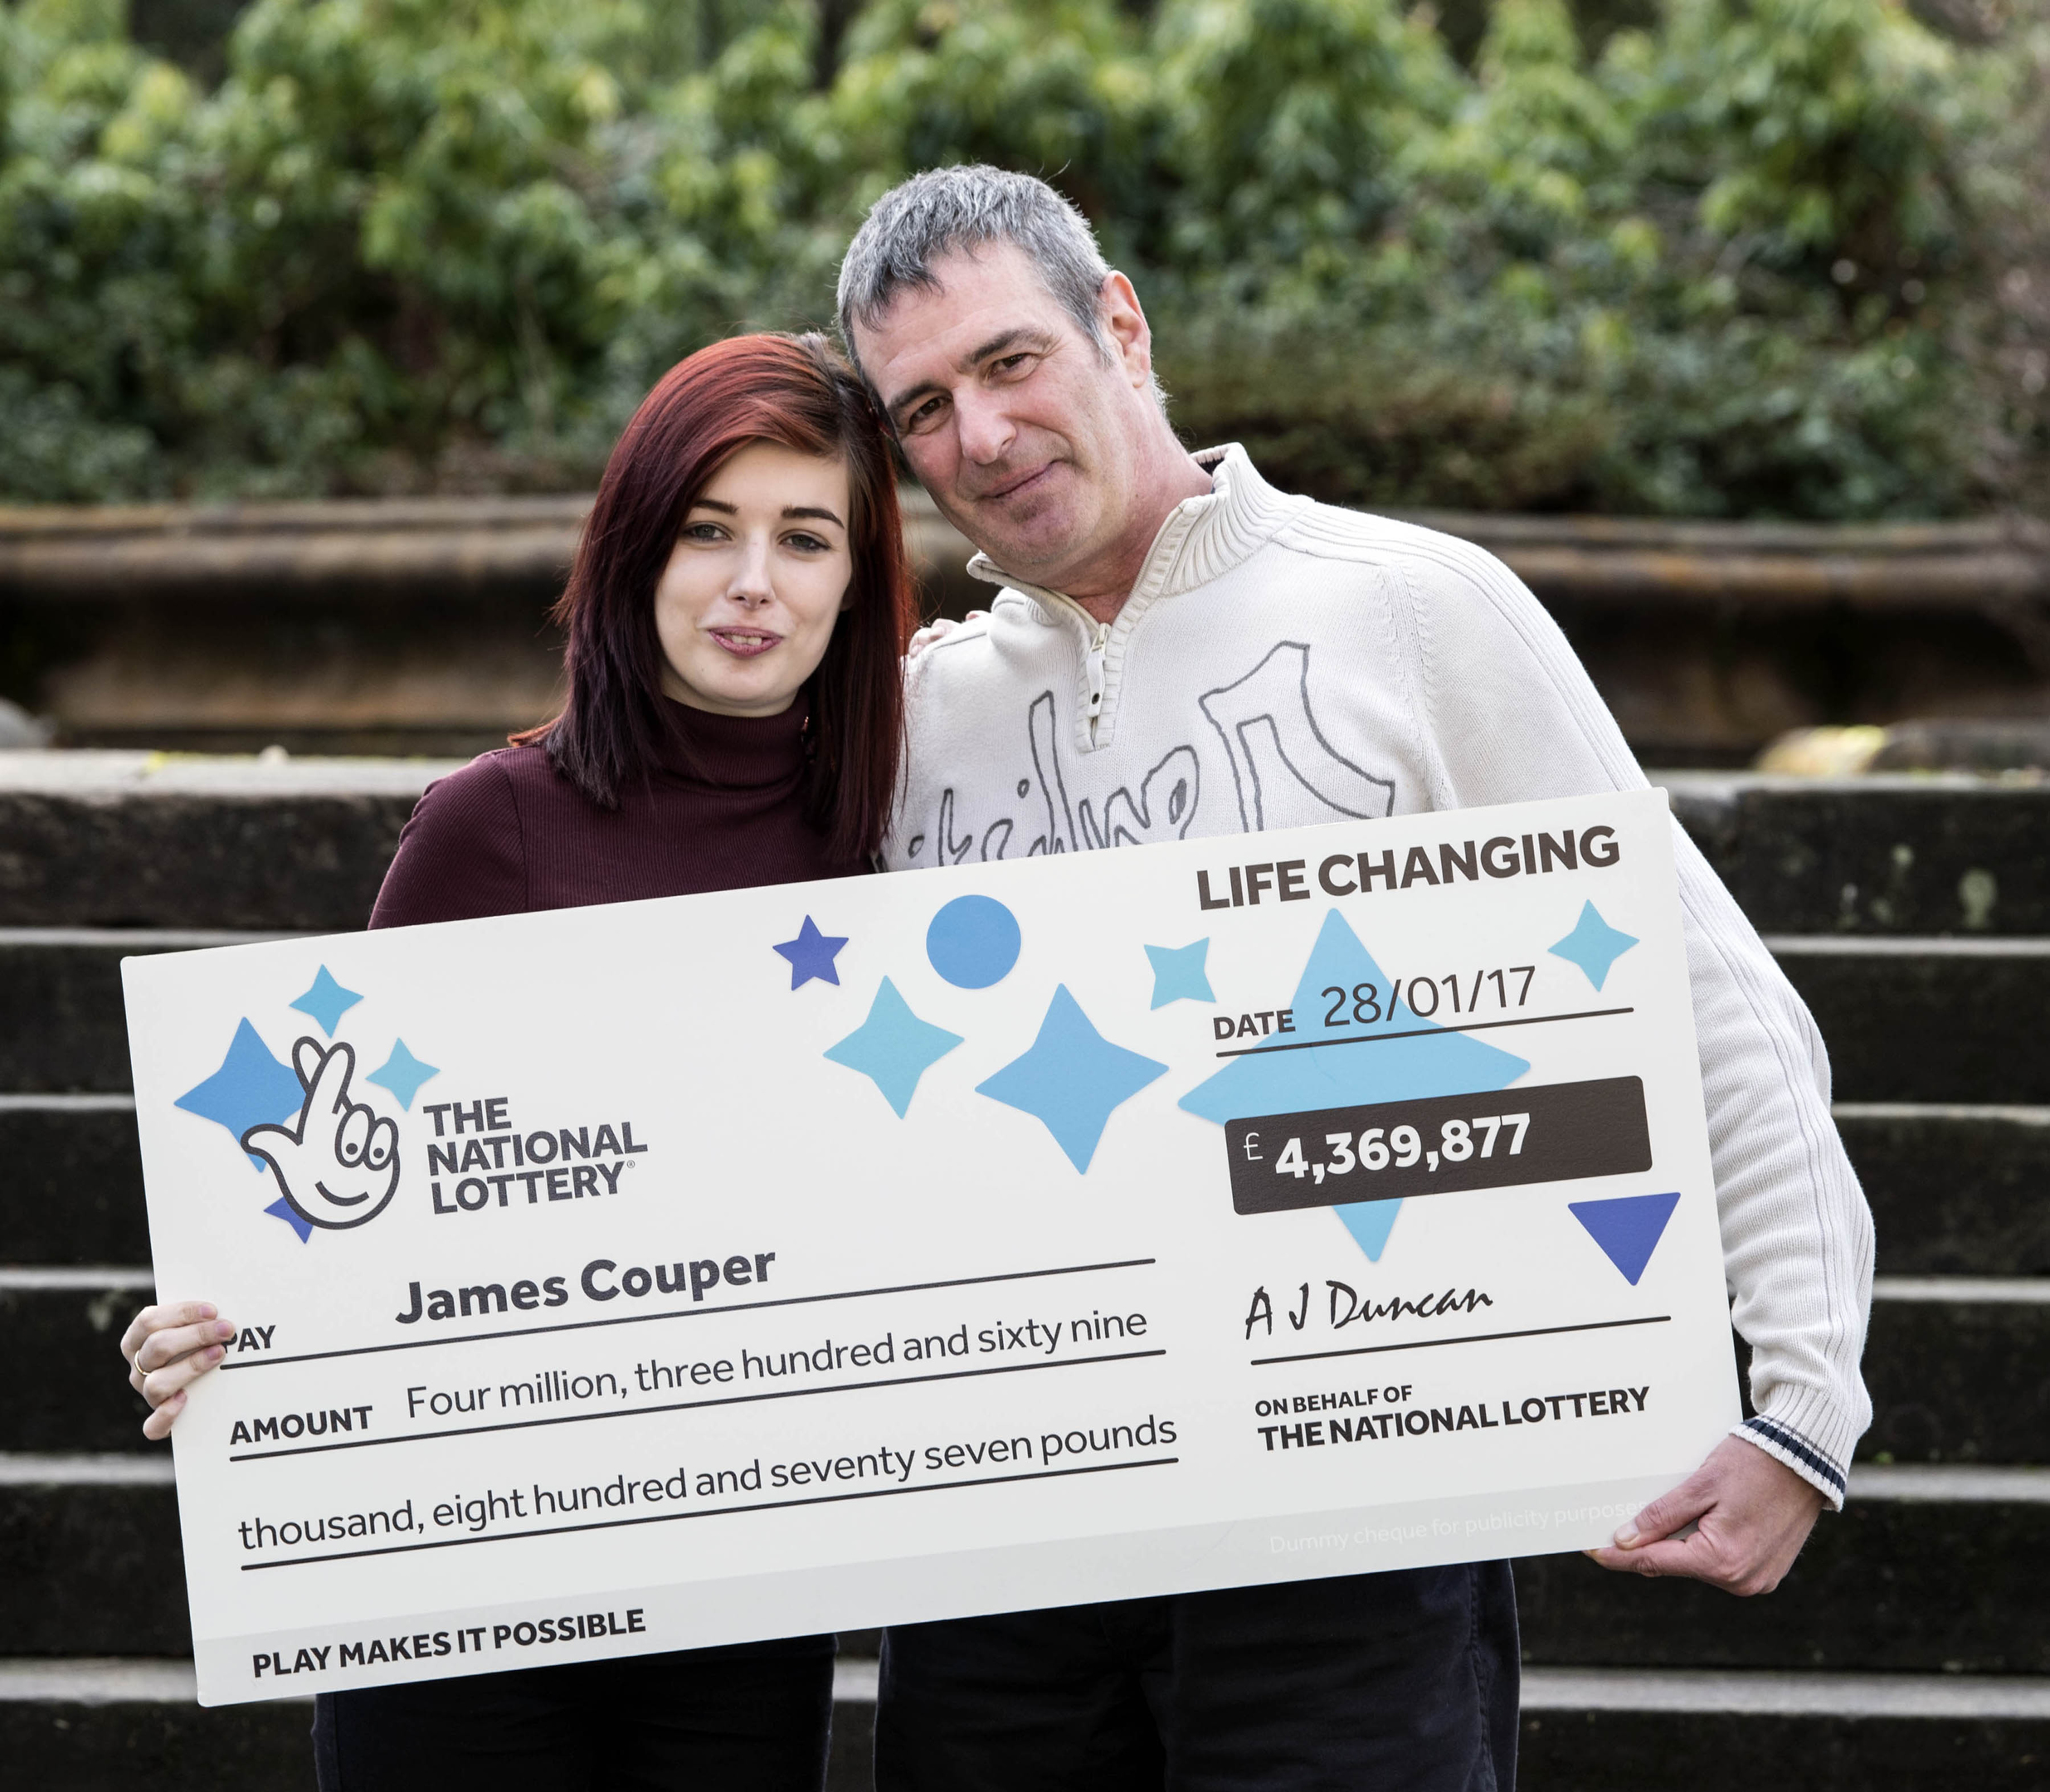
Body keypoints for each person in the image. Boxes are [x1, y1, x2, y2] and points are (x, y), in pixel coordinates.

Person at [838, 165, 1875, 1792]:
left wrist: (1805, 1396)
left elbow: (1706, 999)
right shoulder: (919, 716)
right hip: (1009, 1557)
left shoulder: (1409, 611)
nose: (976, 437)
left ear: (1121, 323)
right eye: (922, 409)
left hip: (1359, 1519)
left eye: (1010, 363)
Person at [117, 330, 917, 1790]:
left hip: (738, 1586)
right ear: (634, 548)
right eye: (708, 530)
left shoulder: (892, 851)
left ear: (859, 579)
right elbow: (327, 1172)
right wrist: (221, 1334)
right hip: (450, 1594)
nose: (754, 582)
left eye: (805, 539)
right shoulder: (487, 827)